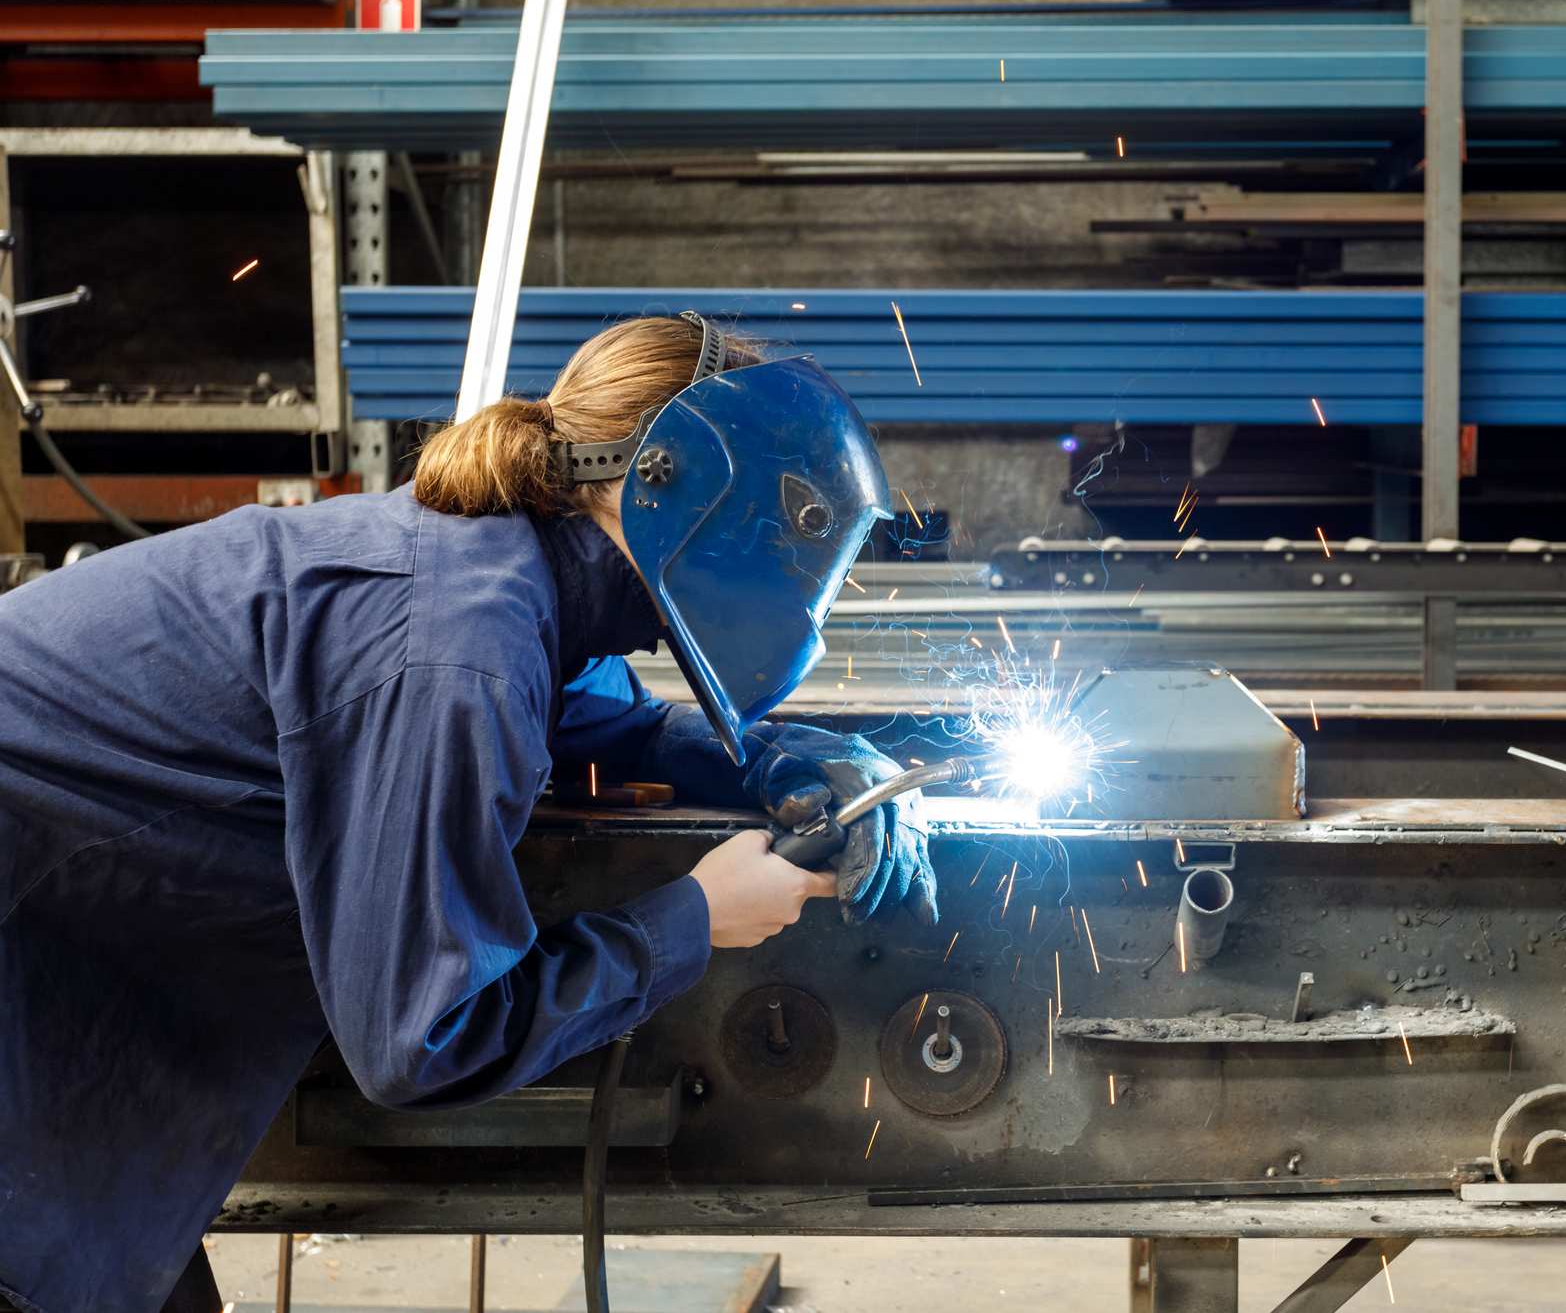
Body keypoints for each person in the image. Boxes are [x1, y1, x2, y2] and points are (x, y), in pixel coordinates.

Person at [0, 314, 937, 1313]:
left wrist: (796, 756)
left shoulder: (489, 565)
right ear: (675, 480)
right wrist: (696, 916)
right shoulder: (461, 645)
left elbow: (621, 724)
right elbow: (422, 1038)